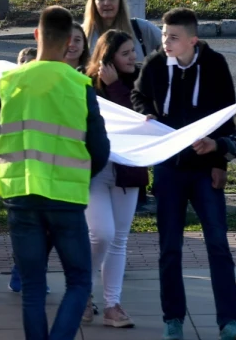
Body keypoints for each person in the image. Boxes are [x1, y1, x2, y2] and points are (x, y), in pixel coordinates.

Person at [0, 5, 110, 340]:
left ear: (36, 35)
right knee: (79, 281)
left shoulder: (10, 81)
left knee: (34, 287)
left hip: (21, 196)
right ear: (70, 41)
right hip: (66, 199)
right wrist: (79, 171)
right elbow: (100, 150)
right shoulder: (80, 85)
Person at [132, 8, 236, 340]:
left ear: (192, 40)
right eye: (164, 35)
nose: (165, 41)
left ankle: (229, 322)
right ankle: (173, 320)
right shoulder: (154, 64)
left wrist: (219, 163)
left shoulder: (215, 65)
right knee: (170, 247)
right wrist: (147, 113)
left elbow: (227, 117)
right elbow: (139, 95)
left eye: (173, 37)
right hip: (168, 169)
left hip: (204, 170)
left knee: (218, 243)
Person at [83, 30, 146, 329]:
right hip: (95, 171)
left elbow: (139, 118)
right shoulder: (87, 84)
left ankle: (112, 305)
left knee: (119, 239)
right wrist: (107, 86)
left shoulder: (139, 82)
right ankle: (82, 292)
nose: (133, 57)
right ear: (107, 59)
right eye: (126, 53)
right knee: (102, 233)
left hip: (128, 171)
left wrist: (117, 86)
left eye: (133, 51)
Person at [81, 0, 161, 63]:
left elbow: (172, 45)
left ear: (120, 1)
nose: (106, 3)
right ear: (94, 2)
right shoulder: (82, 34)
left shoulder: (140, 28)